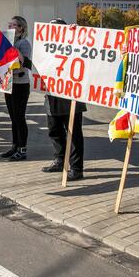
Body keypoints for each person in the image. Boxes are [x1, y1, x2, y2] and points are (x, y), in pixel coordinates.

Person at [41, 19, 87, 180]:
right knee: (54, 130)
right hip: (52, 95)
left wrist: (77, 33)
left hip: (71, 97)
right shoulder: (46, 47)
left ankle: (76, 168)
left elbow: (87, 50)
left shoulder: (75, 46)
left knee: (73, 134)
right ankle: (60, 160)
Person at [1, 16, 32, 161]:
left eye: (13, 25)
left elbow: (23, 64)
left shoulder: (23, 43)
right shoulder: (9, 41)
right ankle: (14, 146)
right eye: (9, 24)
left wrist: (11, 51)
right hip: (9, 83)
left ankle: (22, 149)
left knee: (19, 117)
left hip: (20, 84)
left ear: (21, 28)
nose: (10, 26)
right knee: (13, 117)